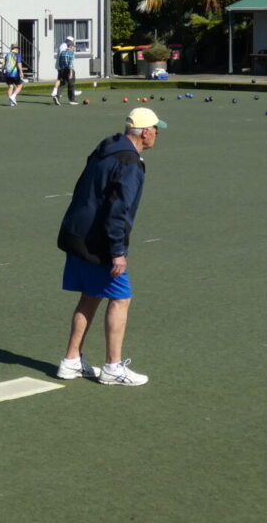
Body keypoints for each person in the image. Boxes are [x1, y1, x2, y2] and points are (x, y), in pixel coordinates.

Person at [55, 107, 164, 387]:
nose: (157, 134)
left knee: (90, 296)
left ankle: (71, 361)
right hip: (98, 241)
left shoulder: (106, 148)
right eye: (155, 129)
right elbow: (118, 210)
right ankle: (113, 367)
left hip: (76, 233)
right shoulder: (130, 163)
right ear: (145, 132)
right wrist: (117, 252)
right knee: (121, 298)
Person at [50, 36, 78, 106]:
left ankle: (57, 96)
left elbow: (60, 61)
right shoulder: (71, 53)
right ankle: (72, 100)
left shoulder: (63, 52)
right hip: (68, 70)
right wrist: (71, 72)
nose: (74, 48)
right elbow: (70, 63)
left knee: (63, 84)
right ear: (70, 46)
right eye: (73, 46)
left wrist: (62, 69)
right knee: (71, 84)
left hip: (62, 69)